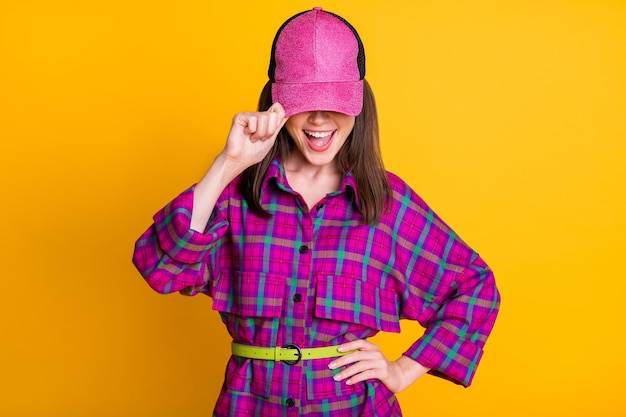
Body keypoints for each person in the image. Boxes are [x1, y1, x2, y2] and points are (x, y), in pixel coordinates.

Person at [132, 7, 500, 417]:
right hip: (250, 406)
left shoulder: (387, 202)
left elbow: (474, 286)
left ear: (360, 103)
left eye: (335, 101)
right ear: (276, 103)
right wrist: (229, 164)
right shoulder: (235, 193)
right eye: (305, 101)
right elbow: (161, 269)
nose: (321, 119)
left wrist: (401, 371)